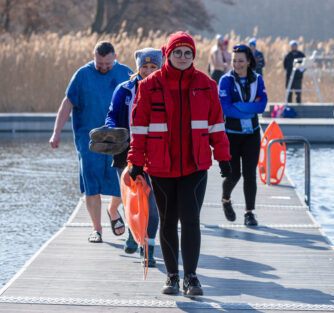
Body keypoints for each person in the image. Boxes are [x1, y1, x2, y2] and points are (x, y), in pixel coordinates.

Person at [127, 31, 231, 296]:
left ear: (193, 56)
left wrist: (224, 157)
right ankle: (172, 277)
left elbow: (217, 125)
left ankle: (192, 278)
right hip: (161, 166)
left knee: (191, 218)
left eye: (188, 53)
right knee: (168, 219)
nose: (183, 57)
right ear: (168, 54)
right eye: (177, 53)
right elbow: (139, 128)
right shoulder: (149, 85)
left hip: (195, 166)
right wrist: (135, 162)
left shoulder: (206, 84)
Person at [49, 41, 132, 243]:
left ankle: (112, 210)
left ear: (115, 57)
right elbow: (67, 103)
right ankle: (97, 229)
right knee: (91, 184)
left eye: (107, 64)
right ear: (93, 57)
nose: (103, 67)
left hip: (118, 139)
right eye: (99, 63)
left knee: (122, 181)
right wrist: (56, 132)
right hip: (88, 140)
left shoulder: (126, 73)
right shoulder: (82, 75)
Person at [105, 48, 162, 267]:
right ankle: (133, 232)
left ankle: (147, 247)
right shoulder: (124, 89)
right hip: (126, 150)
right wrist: (111, 130)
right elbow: (112, 114)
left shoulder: (165, 89)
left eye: (153, 67)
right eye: (144, 67)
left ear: (160, 67)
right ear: (137, 68)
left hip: (154, 152)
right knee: (131, 200)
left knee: (152, 203)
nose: (148, 71)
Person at [218, 44, 268, 226]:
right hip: (231, 135)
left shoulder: (257, 79)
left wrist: (239, 105)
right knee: (233, 175)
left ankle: (249, 212)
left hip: (252, 134)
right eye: (234, 61)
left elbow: (261, 106)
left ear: (248, 61)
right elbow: (225, 108)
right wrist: (248, 109)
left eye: (240, 61)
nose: (237, 64)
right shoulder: (225, 81)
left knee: (250, 174)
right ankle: (225, 199)